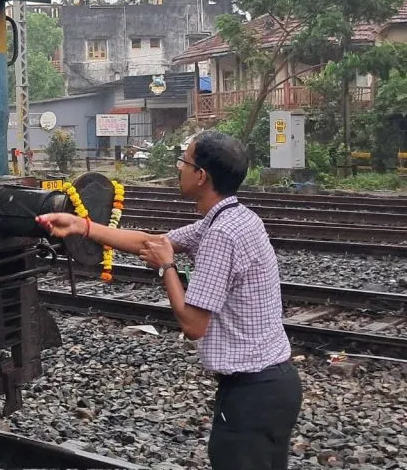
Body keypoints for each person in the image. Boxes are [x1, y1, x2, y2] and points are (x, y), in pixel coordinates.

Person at [36, 131, 302, 470]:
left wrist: (167, 268)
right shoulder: (232, 217)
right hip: (273, 386)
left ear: (201, 176)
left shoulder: (220, 234)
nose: (179, 168)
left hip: (253, 394)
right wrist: (81, 226)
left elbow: (193, 324)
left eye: (184, 161)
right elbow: (151, 242)